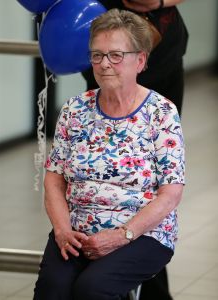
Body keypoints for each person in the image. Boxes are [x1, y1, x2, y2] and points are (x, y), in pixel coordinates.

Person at [33, 8, 185, 300]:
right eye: (97, 55)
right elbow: (54, 180)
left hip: (141, 233)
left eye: (116, 55)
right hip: (76, 229)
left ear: (140, 61)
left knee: (93, 289)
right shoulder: (75, 109)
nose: (104, 64)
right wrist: (63, 231)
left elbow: (171, 193)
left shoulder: (161, 112)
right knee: (53, 289)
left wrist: (120, 235)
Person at [82, 1, 188, 299]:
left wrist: (159, 2)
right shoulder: (79, 106)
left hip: (161, 48)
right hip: (106, 32)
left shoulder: (161, 109)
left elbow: (169, 187)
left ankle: (145, 285)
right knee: (98, 172)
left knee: (150, 180)